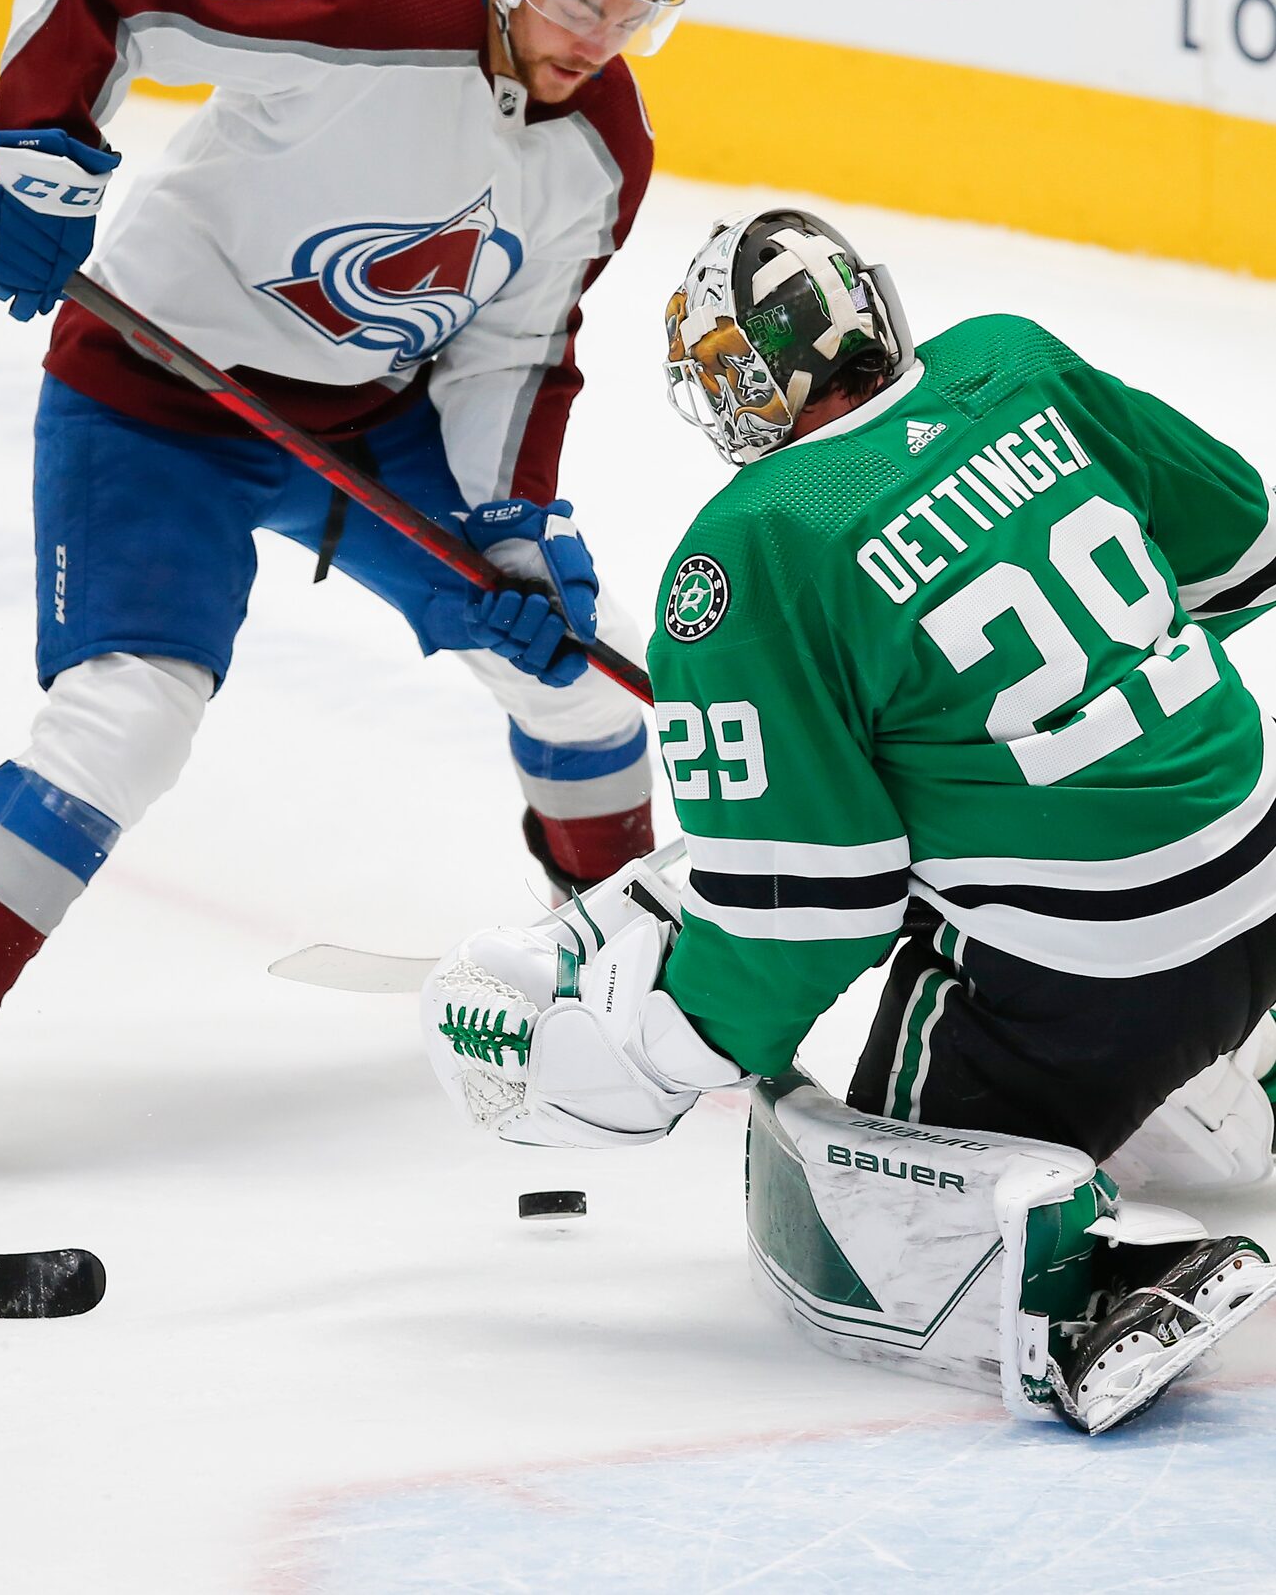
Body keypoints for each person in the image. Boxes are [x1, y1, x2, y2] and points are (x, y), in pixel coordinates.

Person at [0, 0, 694, 1203]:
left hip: (377, 418)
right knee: (130, 710)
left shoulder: (604, 149)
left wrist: (512, 528)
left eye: (639, 11)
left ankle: (628, 976)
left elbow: (516, 348)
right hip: (155, 388)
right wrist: (45, 163)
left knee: (575, 671)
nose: (602, 33)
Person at [423, 207, 1276, 1434]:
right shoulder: (1014, 363)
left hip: (1097, 969)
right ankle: (1234, 1084)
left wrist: (660, 1054)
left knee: (863, 1186)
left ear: (740, 381)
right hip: (1254, 861)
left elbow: (808, 913)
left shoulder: (756, 544)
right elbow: (1238, 550)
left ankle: (1081, 1294)